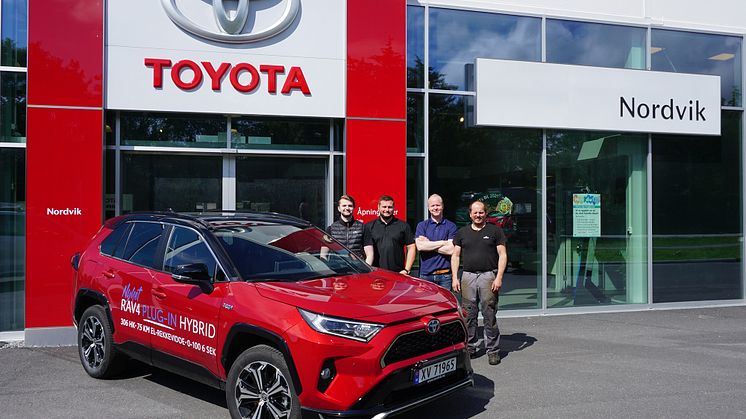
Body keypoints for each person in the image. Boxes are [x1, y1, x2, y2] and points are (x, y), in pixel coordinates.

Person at [451, 200, 507, 365]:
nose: (478, 215)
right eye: (475, 212)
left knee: (489, 314)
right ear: (470, 214)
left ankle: (493, 351)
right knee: (469, 315)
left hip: (488, 276)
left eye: (481, 212)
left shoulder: (495, 231)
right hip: (467, 277)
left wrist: (499, 277)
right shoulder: (462, 232)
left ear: (485, 213)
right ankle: (471, 347)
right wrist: (455, 277)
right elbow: (455, 256)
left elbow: (503, 255)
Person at [364, 195, 416, 274]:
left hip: (398, 273)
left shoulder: (403, 226)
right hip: (375, 273)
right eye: (384, 207)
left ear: (393, 208)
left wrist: (406, 270)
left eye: (389, 207)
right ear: (378, 207)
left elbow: (411, 247)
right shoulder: (369, 226)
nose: (387, 210)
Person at [415, 194, 457, 289]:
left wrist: (429, 244)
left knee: (444, 304)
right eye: (432, 205)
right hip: (425, 275)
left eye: (438, 205)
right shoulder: (422, 226)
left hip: (445, 276)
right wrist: (443, 242)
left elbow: (451, 250)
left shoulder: (451, 226)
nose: (435, 208)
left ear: (442, 206)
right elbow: (420, 247)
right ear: (429, 208)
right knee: (426, 303)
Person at [325, 194, 365, 258]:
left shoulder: (362, 227)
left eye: (350, 206)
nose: (347, 208)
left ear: (354, 208)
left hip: (357, 266)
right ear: (339, 208)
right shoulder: (331, 229)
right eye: (344, 206)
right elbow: (323, 255)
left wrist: (364, 268)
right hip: (337, 266)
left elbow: (370, 254)